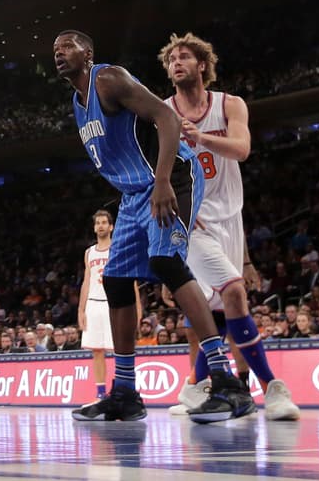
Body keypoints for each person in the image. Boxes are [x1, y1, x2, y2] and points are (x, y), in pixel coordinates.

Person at [52, 29, 253, 423]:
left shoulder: (108, 79)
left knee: (166, 262)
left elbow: (165, 117)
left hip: (170, 176)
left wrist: (161, 181)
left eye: (67, 46)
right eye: (54, 50)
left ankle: (227, 382)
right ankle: (125, 391)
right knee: (115, 279)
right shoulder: (77, 103)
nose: (58, 53)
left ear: (88, 53)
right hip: (133, 195)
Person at [159, 32, 299, 420]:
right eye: (172, 60)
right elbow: (160, 175)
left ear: (202, 65)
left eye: (184, 57)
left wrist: (200, 137)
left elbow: (241, 149)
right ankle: (272, 389)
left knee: (218, 311)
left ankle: (194, 387)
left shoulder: (230, 104)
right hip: (195, 223)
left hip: (231, 218)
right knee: (234, 292)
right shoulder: (164, 113)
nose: (177, 64)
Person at [80, 210, 140, 400]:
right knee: (97, 351)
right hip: (94, 304)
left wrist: (137, 309)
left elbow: (132, 280)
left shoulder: (119, 248)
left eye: (104, 222)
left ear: (111, 226)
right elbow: (86, 281)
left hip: (115, 302)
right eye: (97, 223)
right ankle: (100, 395)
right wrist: (81, 309)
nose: (100, 226)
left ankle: (121, 390)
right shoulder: (89, 252)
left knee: (120, 348)